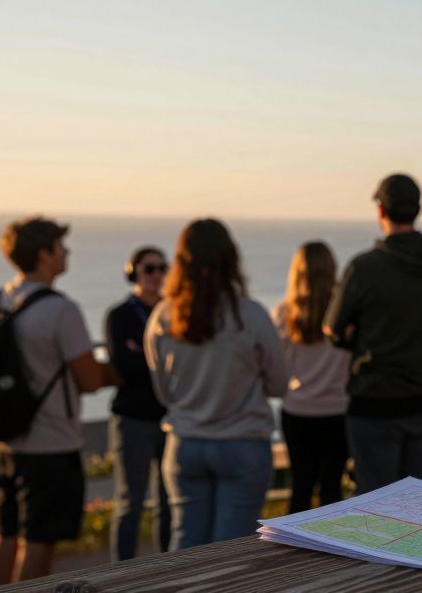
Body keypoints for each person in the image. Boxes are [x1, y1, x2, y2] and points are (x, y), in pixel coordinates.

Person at [0, 216, 108, 586]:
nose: (66, 252)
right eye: (60, 246)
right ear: (44, 254)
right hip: (49, 444)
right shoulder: (61, 310)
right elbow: (90, 379)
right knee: (39, 541)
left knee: (4, 533)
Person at [145, 219, 288, 549]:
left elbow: (163, 393)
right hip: (243, 444)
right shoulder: (250, 316)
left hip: (185, 445)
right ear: (231, 259)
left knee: (185, 547)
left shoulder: (163, 318)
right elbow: (279, 384)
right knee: (230, 553)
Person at [324, 173, 422, 493]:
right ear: (418, 209)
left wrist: (362, 338)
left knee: (374, 507)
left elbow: (332, 328)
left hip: (374, 401)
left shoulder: (365, 267)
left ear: (381, 210)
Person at [104, 246, 173, 560]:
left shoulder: (173, 313)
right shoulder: (119, 316)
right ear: (134, 272)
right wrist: (161, 365)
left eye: (162, 268)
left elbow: (153, 366)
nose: (157, 275)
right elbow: (124, 367)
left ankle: (166, 569)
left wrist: (141, 356)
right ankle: (120, 574)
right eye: (149, 269)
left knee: (169, 501)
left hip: (168, 418)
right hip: (133, 420)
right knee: (130, 502)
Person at [274, 241, 351, 513]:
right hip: (338, 411)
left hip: (297, 411)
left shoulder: (284, 315)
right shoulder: (345, 313)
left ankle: (293, 548)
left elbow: (278, 368)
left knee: (301, 486)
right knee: (332, 487)